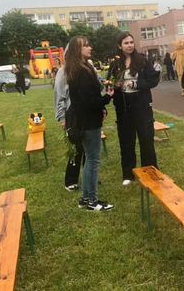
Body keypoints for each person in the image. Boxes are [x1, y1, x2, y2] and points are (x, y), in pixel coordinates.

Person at [66, 36, 114, 211]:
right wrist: (107, 97)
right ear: (77, 50)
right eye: (85, 46)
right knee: (93, 160)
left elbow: (86, 99)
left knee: (89, 160)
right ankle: (92, 201)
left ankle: (86, 199)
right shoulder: (82, 72)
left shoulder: (78, 69)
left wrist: (101, 105)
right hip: (88, 123)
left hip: (85, 121)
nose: (90, 48)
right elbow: (89, 102)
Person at [108, 32, 160, 185]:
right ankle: (128, 174)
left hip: (142, 105)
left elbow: (153, 79)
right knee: (126, 141)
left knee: (146, 140)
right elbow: (109, 81)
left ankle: (150, 171)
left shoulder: (142, 60)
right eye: (126, 43)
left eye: (131, 42)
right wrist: (114, 85)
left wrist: (137, 84)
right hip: (123, 108)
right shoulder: (115, 63)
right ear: (120, 46)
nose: (130, 45)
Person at [54, 58, 85, 192]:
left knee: (89, 147)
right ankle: (71, 180)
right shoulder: (64, 71)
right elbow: (59, 95)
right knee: (76, 148)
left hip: (88, 114)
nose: (89, 48)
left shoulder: (87, 67)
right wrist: (62, 117)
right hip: (72, 115)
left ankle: (89, 176)